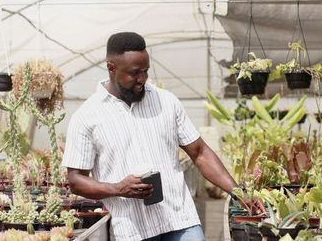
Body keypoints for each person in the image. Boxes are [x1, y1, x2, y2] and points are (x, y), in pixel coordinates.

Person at [62, 32, 262, 241]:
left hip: (179, 220)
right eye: (134, 73)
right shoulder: (86, 117)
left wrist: (239, 193)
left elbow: (200, 152)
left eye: (145, 71)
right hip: (133, 229)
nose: (142, 79)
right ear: (111, 67)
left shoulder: (166, 101)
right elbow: (76, 179)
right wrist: (118, 188)